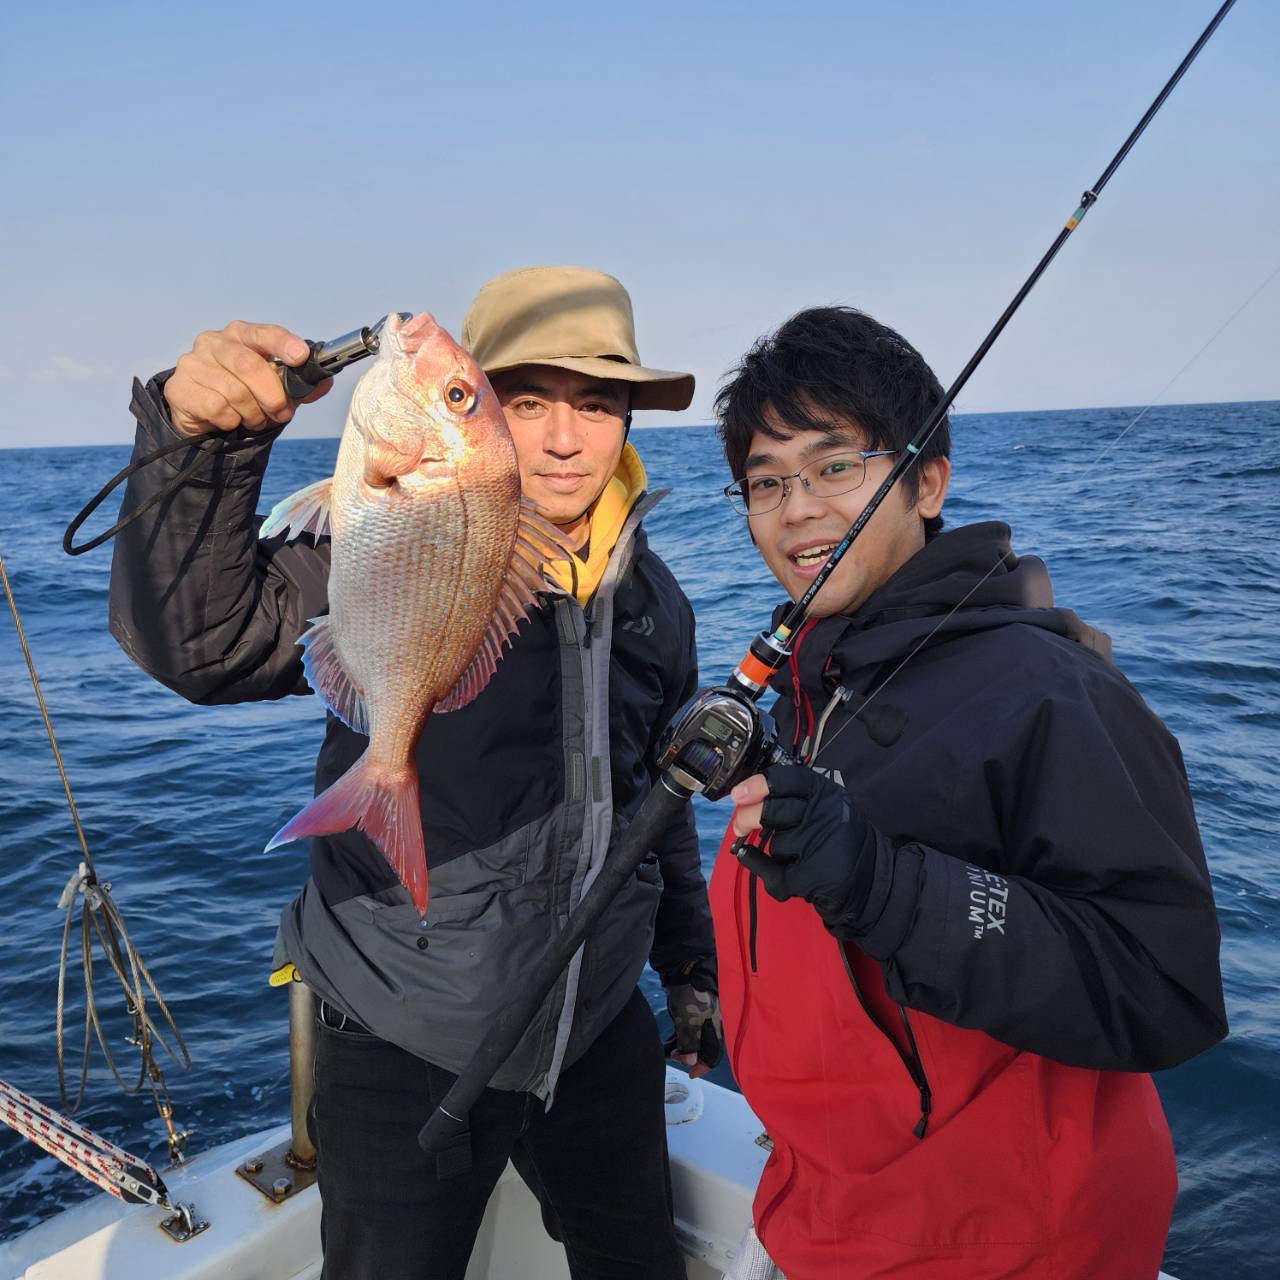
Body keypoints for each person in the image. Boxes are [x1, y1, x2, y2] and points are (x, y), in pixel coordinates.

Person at [107, 266, 722, 1279]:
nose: (564, 439)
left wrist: (690, 970)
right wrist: (200, 445)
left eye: (597, 404)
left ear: (625, 422)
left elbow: (666, 803)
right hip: (404, 1028)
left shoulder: (656, 600)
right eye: (525, 402)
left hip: (595, 1020)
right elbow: (202, 643)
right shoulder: (391, 530)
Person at [708, 306, 1228, 1280]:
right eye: (765, 482)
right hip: (828, 1207)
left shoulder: (1048, 691)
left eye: (834, 466)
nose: (797, 509)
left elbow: (1162, 989)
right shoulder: (816, 680)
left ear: (928, 483)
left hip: (1000, 1240)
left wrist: (885, 885)